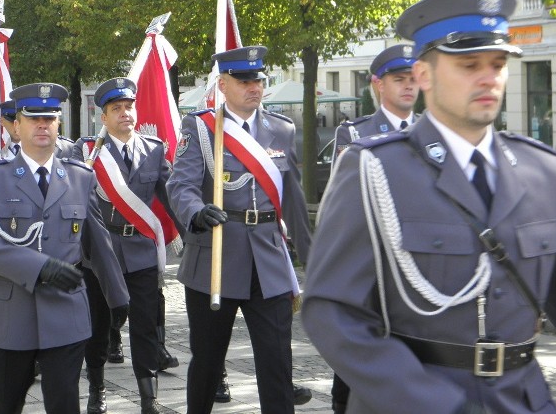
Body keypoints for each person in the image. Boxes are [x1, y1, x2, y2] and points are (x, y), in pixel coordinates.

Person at [302, 0, 556, 414]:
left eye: (498, 63)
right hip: (416, 401)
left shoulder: (542, 171)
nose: (489, 77)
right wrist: (432, 403)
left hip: (524, 400)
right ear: (424, 76)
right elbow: (332, 311)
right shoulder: (374, 170)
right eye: (469, 64)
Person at [0, 83, 129, 414]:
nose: (42, 125)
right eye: (33, 118)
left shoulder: (81, 177)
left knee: (64, 404)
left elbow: (97, 241)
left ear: (59, 125)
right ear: (16, 126)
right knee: (5, 404)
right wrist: (39, 268)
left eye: (49, 118)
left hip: (65, 314)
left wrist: (118, 295)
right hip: (10, 315)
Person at [167, 45, 305, 414]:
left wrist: (310, 256)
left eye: (258, 80)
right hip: (216, 255)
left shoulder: (282, 129)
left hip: (269, 259)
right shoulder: (199, 127)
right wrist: (196, 212)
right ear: (223, 84)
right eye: (244, 81)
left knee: (278, 363)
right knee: (208, 363)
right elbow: (180, 186)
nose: (254, 87)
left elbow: (292, 198)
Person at [73, 77, 178, 414]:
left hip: (141, 252)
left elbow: (173, 197)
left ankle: (150, 398)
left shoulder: (154, 149)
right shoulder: (88, 152)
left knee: (146, 327)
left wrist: (195, 225)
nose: (125, 114)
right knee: (98, 328)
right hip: (100, 256)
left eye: (128, 107)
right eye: (115, 109)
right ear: (102, 117)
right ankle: (96, 390)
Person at [326, 43, 418, 413]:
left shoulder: (433, 133)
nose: (409, 86)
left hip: (417, 268)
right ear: (378, 84)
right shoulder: (355, 134)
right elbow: (344, 205)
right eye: (399, 79)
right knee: (355, 365)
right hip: (372, 266)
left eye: (414, 79)